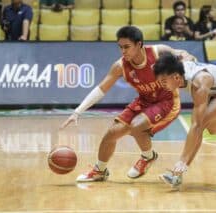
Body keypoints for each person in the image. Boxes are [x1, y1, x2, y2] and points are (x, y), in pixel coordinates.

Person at [61, 26, 196, 182]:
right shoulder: (120, 66)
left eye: (127, 47)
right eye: (120, 47)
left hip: (166, 101)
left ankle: (148, 156)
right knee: (110, 135)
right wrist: (77, 112)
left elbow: (185, 55)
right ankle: (100, 170)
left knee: (137, 126)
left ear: (139, 45)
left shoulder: (158, 52)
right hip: (144, 101)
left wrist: (188, 62)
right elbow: (101, 88)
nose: (123, 51)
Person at [153, 52, 216, 188]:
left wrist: (182, 160)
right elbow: (186, 56)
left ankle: (177, 175)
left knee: (200, 125)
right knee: (214, 129)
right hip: (212, 87)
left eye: (164, 82)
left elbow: (196, 126)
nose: (162, 85)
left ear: (176, 77)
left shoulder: (198, 85)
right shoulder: (179, 68)